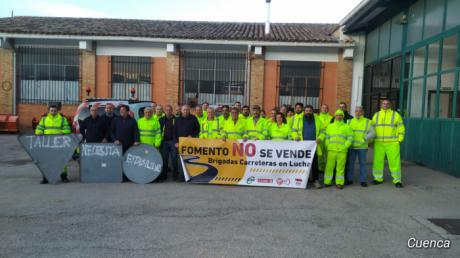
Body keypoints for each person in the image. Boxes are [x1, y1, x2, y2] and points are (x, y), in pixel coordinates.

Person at [372, 99, 405, 188]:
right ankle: (378, 178)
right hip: (379, 143)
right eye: (384, 103)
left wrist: (400, 139)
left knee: (394, 162)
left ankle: (397, 180)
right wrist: (371, 140)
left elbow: (401, 127)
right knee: (377, 161)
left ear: (390, 105)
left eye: (387, 104)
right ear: (381, 105)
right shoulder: (376, 115)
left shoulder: (396, 115)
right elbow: (372, 128)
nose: (385, 105)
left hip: (392, 142)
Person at [35, 104, 72, 184]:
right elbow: (39, 128)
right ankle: (45, 177)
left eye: (55, 110)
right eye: (51, 110)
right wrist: (39, 132)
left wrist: (63, 132)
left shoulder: (62, 119)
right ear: (48, 111)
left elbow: (67, 129)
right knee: (46, 160)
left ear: (57, 111)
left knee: (61, 159)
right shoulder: (44, 119)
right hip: (47, 143)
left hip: (59, 143)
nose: (53, 112)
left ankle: (64, 176)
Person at [292, 105, 325, 189]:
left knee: (314, 164)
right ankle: (302, 180)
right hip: (302, 146)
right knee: (302, 163)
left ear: (312, 111)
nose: (308, 112)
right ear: (304, 111)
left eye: (310, 111)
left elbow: (323, 131)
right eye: (306, 111)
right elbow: (293, 131)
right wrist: (295, 136)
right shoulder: (299, 119)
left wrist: (320, 138)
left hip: (313, 146)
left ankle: (315, 180)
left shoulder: (317, 120)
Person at [346, 106, 375, 187]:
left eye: (359, 111)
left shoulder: (368, 121)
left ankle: (363, 180)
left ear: (363, 112)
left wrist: (364, 138)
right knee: (350, 164)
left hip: (362, 147)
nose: (358, 113)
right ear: (354, 112)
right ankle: (350, 179)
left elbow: (373, 133)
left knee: (363, 164)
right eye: (356, 111)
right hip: (352, 146)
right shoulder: (349, 121)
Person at [324, 109, 353, 189]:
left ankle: (339, 183)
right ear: (335, 116)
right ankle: (327, 182)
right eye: (337, 115)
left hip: (342, 151)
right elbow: (326, 137)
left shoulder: (347, 126)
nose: (339, 117)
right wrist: (327, 145)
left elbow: (350, 138)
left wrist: (345, 146)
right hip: (331, 150)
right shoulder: (330, 126)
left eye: (340, 115)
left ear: (343, 116)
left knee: (340, 168)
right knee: (329, 167)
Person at [174, 105, 201, 181]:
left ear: (189, 110)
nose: (185, 111)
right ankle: (181, 177)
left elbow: (198, 129)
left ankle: (191, 176)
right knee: (181, 161)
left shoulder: (194, 118)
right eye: (184, 110)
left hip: (190, 143)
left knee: (191, 159)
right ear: (181, 111)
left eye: (187, 110)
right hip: (180, 143)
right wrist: (176, 142)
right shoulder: (177, 119)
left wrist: (192, 135)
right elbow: (174, 132)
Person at [159, 105, 177, 181]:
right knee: (164, 159)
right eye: (166, 110)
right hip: (164, 141)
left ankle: (175, 175)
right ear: (164, 111)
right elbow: (158, 131)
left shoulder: (176, 119)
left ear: (172, 110)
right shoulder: (161, 119)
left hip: (173, 142)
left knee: (174, 159)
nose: (168, 111)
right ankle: (164, 175)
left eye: (169, 110)